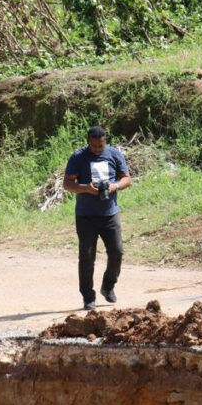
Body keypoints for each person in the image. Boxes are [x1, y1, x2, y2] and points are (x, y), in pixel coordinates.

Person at [63, 126, 132, 310]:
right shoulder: (78, 157)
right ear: (88, 142)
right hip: (86, 216)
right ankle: (88, 296)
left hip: (110, 214)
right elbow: (67, 183)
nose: (97, 149)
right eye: (93, 146)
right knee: (86, 257)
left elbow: (126, 178)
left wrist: (114, 186)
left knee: (117, 252)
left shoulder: (114, 154)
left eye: (100, 146)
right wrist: (86, 188)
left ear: (105, 141)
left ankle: (108, 286)